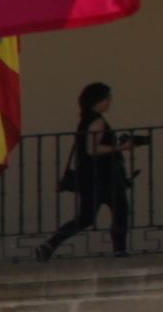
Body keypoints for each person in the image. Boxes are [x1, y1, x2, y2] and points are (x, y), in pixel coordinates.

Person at [44, 82, 136, 258]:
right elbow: (92, 149)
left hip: (92, 177)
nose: (110, 101)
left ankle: (50, 245)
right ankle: (120, 249)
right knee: (120, 211)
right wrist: (120, 148)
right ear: (99, 100)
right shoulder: (97, 120)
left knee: (85, 218)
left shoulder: (86, 119)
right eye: (108, 97)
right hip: (104, 176)